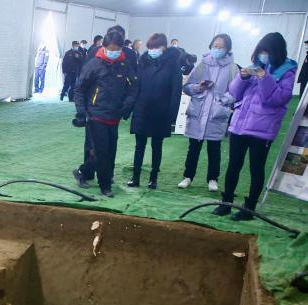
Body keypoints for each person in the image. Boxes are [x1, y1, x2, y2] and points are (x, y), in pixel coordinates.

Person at [220, 32, 297, 220]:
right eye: (261, 51)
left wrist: (265, 78)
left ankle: (249, 209)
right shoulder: (255, 66)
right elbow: (235, 93)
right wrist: (242, 77)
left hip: (262, 129)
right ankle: (226, 203)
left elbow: (277, 99)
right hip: (240, 125)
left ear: (277, 52)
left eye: (267, 51)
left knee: (256, 169)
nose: (263, 55)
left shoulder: (287, 72)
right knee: (233, 165)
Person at [72, 29, 138, 197]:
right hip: (96, 115)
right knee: (102, 152)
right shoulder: (93, 64)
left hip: (114, 116)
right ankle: (105, 185)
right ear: (104, 47)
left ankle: (82, 171)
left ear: (122, 49)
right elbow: (79, 89)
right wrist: (81, 111)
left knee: (110, 150)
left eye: (117, 50)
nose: (114, 52)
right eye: (111, 49)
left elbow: (133, 88)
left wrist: (126, 106)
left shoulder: (125, 65)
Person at [178, 34, 238, 192]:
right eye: (215, 46)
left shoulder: (233, 68)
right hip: (198, 111)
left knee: (214, 149)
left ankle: (212, 179)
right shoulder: (202, 65)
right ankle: (187, 176)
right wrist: (199, 87)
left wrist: (223, 100)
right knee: (193, 148)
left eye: (221, 47)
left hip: (216, 114)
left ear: (227, 49)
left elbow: (236, 92)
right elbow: (187, 86)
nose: (217, 49)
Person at [127, 33, 182, 189]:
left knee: (157, 147)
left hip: (161, 113)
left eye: (156, 47)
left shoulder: (173, 65)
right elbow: (135, 87)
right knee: (139, 146)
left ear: (164, 47)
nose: (153, 50)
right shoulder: (143, 62)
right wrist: (130, 108)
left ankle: (153, 178)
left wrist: (172, 115)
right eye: (150, 47)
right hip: (142, 110)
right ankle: (135, 177)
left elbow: (176, 92)